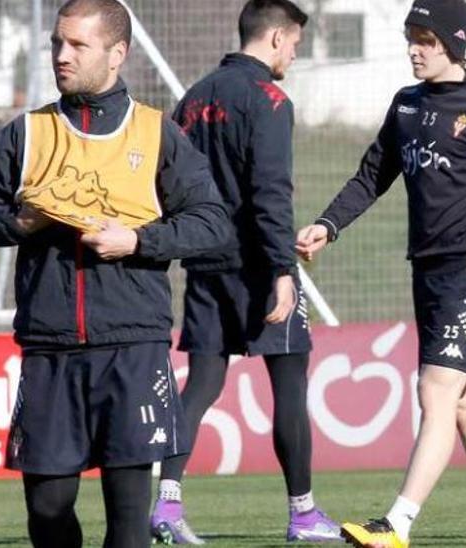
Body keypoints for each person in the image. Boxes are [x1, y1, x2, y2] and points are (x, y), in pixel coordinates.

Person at [0, 1, 233, 546]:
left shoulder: (156, 134)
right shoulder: (25, 135)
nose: (62, 55)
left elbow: (212, 222)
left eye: (78, 45)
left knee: (128, 522)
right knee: (49, 510)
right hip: (50, 350)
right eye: (58, 42)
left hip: (132, 347)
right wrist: (18, 220)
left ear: (117, 53)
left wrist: (138, 240)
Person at [295, 1, 466, 546]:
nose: (414, 48)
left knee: (435, 394)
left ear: (454, 44)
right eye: (411, 37)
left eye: (426, 40)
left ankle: (397, 523)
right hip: (428, 272)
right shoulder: (406, 106)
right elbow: (372, 176)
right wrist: (327, 224)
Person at [147, 0, 339, 544]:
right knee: (289, 384)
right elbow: (270, 192)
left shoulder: (191, 100)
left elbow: (168, 185)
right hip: (258, 265)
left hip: (206, 263)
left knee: (202, 385)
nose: (295, 56)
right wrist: (282, 268)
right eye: (295, 45)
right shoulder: (269, 100)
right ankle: (302, 515)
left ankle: (166, 506)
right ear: (276, 38)